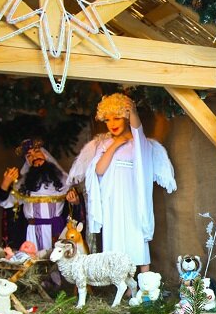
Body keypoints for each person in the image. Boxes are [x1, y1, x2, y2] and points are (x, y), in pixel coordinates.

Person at [68, 93, 176, 273]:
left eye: (117, 117)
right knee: (116, 237)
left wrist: (133, 111)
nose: (112, 123)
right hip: (113, 200)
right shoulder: (104, 145)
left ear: (126, 117)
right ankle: (122, 283)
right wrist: (116, 144)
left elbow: (138, 129)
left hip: (133, 197)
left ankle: (145, 281)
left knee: (136, 235)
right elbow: (99, 170)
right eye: (108, 119)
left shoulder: (140, 143)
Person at [0, 137, 71, 252]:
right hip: (32, 232)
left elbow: (76, 205)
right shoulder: (23, 184)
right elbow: (5, 203)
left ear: (45, 155)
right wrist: (6, 182)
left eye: (36, 152)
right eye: (29, 156)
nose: (34, 157)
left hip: (57, 231)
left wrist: (75, 202)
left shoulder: (64, 181)